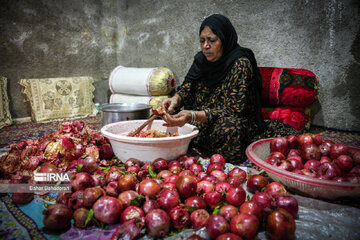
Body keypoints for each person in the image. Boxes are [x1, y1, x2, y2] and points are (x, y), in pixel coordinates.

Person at [161, 14, 298, 164]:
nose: (206, 46)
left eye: (212, 40)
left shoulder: (240, 64)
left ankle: (212, 155)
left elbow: (234, 110)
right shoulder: (201, 60)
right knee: (169, 116)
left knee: (228, 130)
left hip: (232, 119)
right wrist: (175, 99)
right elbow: (188, 87)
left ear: (225, 40)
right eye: (202, 41)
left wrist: (193, 116)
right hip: (202, 116)